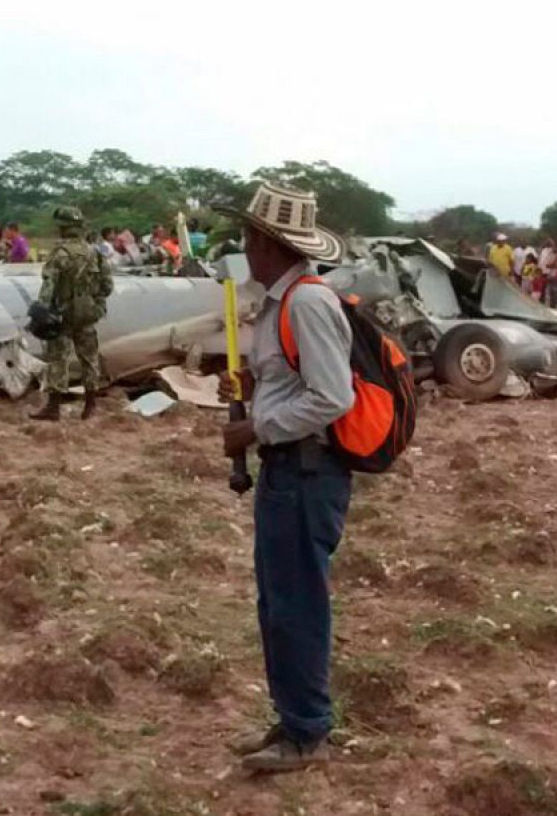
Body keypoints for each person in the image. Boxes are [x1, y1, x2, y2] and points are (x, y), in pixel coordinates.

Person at [217, 183, 353, 774]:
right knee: (278, 605)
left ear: (269, 242)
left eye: (250, 235)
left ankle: (306, 733)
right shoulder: (279, 303)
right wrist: (252, 391)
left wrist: (256, 428)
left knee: (296, 606)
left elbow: (332, 397)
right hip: (286, 474)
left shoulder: (307, 303)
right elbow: (294, 381)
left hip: (305, 474)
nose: (244, 244)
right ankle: (294, 717)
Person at [30, 206, 112, 421]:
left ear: (62, 228)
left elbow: (49, 285)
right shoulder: (95, 252)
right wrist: (94, 303)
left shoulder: (60, 253)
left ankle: (54, 408)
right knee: (89, 359)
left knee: (58, 358)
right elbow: (108, 286)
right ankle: (90, 406)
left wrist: (42, 311)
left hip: (63, 314)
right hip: (87, 314)